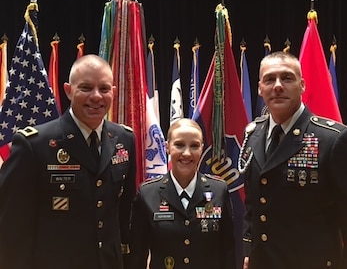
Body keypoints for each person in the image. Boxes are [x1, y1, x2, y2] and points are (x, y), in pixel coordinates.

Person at [238, 51, 347, 269]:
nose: (277, 85)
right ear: (260, 88)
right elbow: (254, 206)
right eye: (269, 79)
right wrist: (249, 250)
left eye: (287, 78)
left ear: (302, 85)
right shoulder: (253, 135)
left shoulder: (333, 140)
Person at [0, 54, 136, 269]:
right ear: (68, 90)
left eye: (104, 88)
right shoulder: (34, 145)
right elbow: (12, 229)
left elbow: (124, 215)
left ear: (114, 92)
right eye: (86, 88)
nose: (96, 96)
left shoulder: (125, 139)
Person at [131, 118, 236, 269]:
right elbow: (137, 255)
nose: (186, 153)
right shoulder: (148, 193)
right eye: (179, 145)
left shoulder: (218, 190)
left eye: (194, 146)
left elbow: (228, 251)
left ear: (202, 148)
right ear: (167, 147)